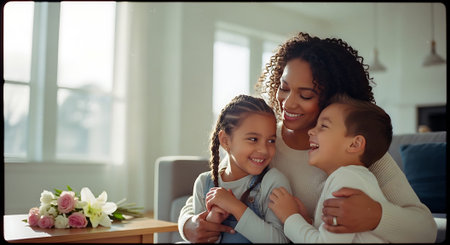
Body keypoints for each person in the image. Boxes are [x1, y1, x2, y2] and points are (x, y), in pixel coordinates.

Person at [178, 32, 437, 243]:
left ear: (332, 98)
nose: (287, 103)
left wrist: (376, 215)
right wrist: (188, 225)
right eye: (284, 87)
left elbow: (426, 229)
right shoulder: (263, 139)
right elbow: (209, 189)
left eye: (306, 95)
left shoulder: (354, 151)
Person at [269, 94, 392, 243]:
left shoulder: (347, 180)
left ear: (355, 144)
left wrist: (289, 216)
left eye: (324, 126)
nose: (311, 131)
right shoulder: (353, 177)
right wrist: (306, 221)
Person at [192, 94, 291, 243]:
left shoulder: (273, 182)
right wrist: (212, 222)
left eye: (271, 140)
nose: (264, 150)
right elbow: (198, 237)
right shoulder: (204, 183)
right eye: (253, 139)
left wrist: (235, 207)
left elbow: (280, 241)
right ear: (225, 140)